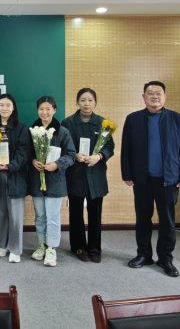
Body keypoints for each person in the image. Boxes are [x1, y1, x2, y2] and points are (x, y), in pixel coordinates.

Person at [121, 80, 180, 277]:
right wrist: (127, 173)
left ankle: (165, 258)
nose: (154, 96)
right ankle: (143, 254)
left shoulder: (177, 119)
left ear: (165, 96)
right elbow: (126, 149)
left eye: (158, 93)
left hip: (169, 180)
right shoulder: (133, 119)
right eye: (150, 93)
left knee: (167, 221)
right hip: (142, 179)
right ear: (143, 97)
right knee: (142, 218)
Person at [62, 88, 114, 263]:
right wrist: (74, 155)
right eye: (83, 100)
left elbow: (109, 147)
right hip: (75, 173)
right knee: (76, 212)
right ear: (77, 102)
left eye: (90, 100)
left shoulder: (103, 124)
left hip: (95, 173)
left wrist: (98, 156)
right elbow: (62, 146)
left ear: (95, 102)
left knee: (95, 213)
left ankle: (94, 248)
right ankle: (78, 247)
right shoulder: (68, 123)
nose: (86, 104)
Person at [29, 95, 75, 267]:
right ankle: (41, 245)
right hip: (37, 180)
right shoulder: (32, 131)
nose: (45, 112)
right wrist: (33, 161)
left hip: (55, 181)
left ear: (54, 110)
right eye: (41, 109)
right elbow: (27, 153)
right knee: (40, 216)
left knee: (53, 217)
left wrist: (57, 164)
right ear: (37, 110)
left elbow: (71, 155)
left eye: (48, 109)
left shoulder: (63, 132)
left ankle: (52, 248)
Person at [0, 94, 30, 264]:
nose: (4, 108)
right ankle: (3, 244)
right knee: (1, 214)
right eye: (1, 105)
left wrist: (9, 166)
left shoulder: (21, 128)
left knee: (15, 216)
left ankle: (15, 249)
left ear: (13, 108)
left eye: (8, 105)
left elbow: (23, 153)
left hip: (15, 177)